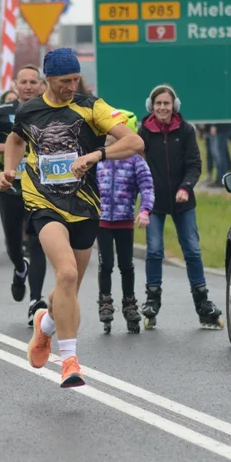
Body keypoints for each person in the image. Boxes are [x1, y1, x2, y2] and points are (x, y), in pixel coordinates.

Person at [0, 47, 144, 387]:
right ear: (48, 79)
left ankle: (45, 325)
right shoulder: (29, 110)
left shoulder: (93, 107)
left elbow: (134, 142)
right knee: (64, 273)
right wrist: (8, 171)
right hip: (42, 202)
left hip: (84, 206)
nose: (71, 86)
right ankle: (69, 361)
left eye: (75, 79)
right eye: (64, 81)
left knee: (69, 288)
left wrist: (97, 154)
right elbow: (16, 139)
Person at [138, 84, 223, 330]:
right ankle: (152, 300)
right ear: (151, 106)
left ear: (174, 106)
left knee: (192, 251)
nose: (162, 108)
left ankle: (203, 303)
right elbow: (138, 166)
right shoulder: (143, 132)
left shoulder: (185, 130)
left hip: (183, 200)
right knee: (154, 250)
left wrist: (186, 187)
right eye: (158, 104)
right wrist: (143, 198)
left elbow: (194, 163)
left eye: (166, 103)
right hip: (154, 200)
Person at [0, 65, 49, 324]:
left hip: (40, 188)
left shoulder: (48, 110)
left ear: (41, 85)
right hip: (10, 186)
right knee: (13, 244)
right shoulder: (2, 113)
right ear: (15, 85)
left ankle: (36, 301)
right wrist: (12, 147)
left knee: (37, 242)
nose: (29, 86)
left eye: (34, 81)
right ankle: (20, 269)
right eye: (24, 81)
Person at [96, 132, 154, 334]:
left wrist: (145, 210)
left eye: (110, 135)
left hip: (125, 220)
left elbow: (147, 187)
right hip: (101, 221)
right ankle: (105, 301)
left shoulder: (134, 160)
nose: (106, 138)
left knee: (126, 265)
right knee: (106, 264)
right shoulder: (97, 158)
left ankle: (129, 304)